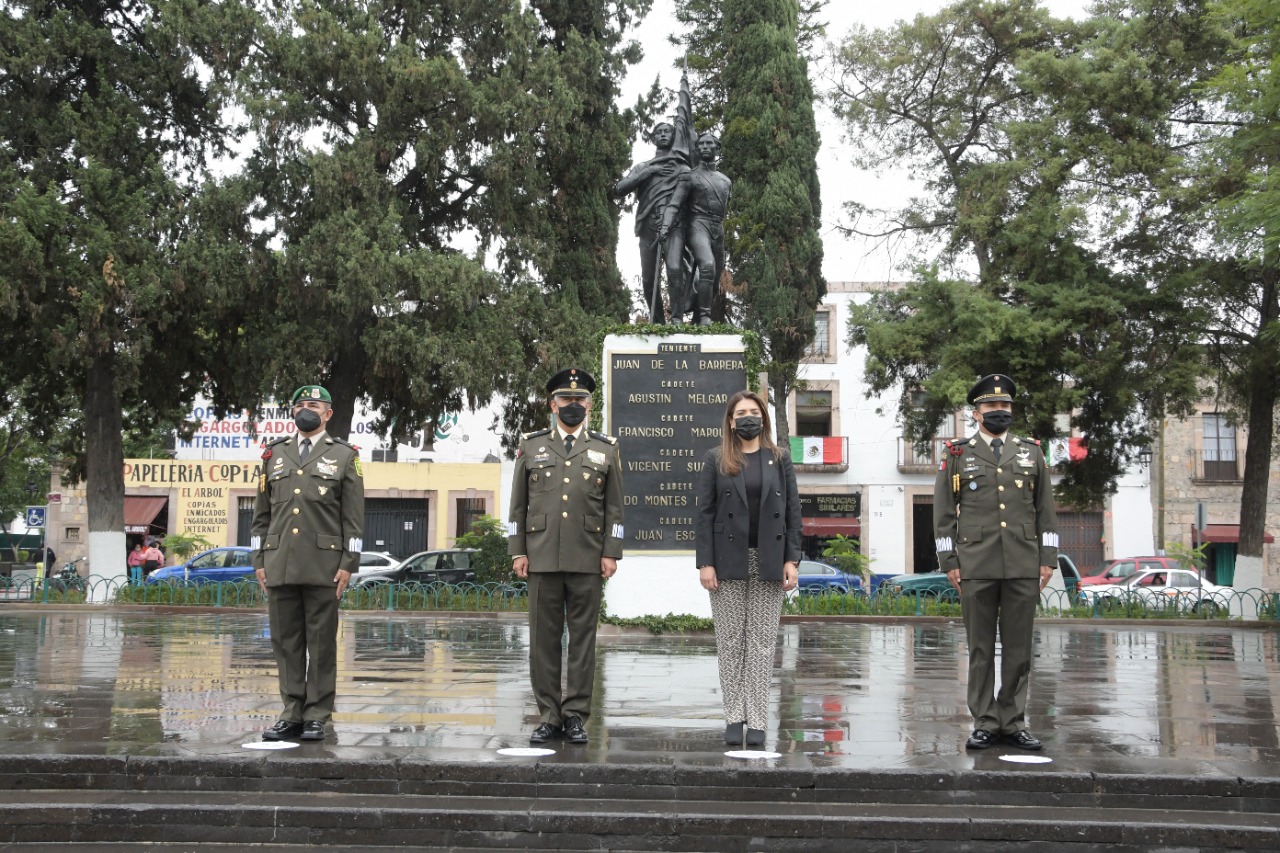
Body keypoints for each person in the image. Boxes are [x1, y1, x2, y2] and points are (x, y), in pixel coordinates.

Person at [934, 374, 1058, 751]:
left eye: (1005, 405)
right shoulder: (957, 454)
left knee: (1019, 650)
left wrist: (1048, 558)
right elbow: (943, 513)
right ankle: (986, 722)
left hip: (1023, 561)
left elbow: (1045, 511)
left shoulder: (1031, 452)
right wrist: (949, 559)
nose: (999, 411)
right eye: (991, 406)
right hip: (975, 563)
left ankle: (1014, 721)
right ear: (976, 412)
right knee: (980, 649)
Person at [506, 368, 624, 745]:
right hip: (541, 557)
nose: (573, 405)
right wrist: (517, 550)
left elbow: (614, 509)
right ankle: (548, 715)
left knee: (582, 642)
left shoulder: (606, 449)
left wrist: (611, 552)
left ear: (589, 405)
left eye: (580, 399)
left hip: (588, 558)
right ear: (552, 404)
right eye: (566, 399)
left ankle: (575, 716)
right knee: (543, 642)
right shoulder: (531, 446)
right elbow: (518, 507)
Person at [252, 384, 365, 742]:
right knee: (285, 643)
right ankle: (291, 712)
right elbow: (261, 516)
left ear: (328, 414)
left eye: (313, 405)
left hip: (324, 565)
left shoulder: (345, 456)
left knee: (321, 644)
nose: (306, 410)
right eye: (300, 404)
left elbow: (353, 519)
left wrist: (349, 562)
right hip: (279, 563)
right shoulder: (274, 454)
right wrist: (259, 559)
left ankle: (317, 714)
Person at [695, 391, 801, 747]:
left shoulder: (779, 458)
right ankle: (733, 716)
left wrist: (792, 560)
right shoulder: (716, 459)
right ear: (730, 421)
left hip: (768, 558)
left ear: (764, 418)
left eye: (754, 411)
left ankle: (756, 719)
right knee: (730, 642)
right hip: (727, 560)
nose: (748, 418)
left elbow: (793, 512)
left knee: (761, 644)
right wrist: (706, 563)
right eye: (740, 413)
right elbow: (704, 514)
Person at [613, 121, 691, 324]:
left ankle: (677, 320)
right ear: (653, 138)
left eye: (667, 132)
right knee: (648, 279)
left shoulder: (682, 167)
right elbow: (620, 188)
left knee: (675, 270)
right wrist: (648, 173)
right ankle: (657, 322)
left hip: (674, 226)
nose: (663, 134)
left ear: (673, 137)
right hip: (648, 225)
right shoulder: (643, 167)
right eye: (659, 132)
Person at [661, 131, 731, 326]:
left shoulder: (726, 181)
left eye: (709, 144)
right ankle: (705, 317)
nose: (705, 147)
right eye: (701, 144)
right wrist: (665, 226)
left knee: (714, 279)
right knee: (707, 265)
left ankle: (698, 318)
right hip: (697, 225)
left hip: (717, 229)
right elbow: (674, 204)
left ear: (717, 148)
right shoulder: (689, 177)